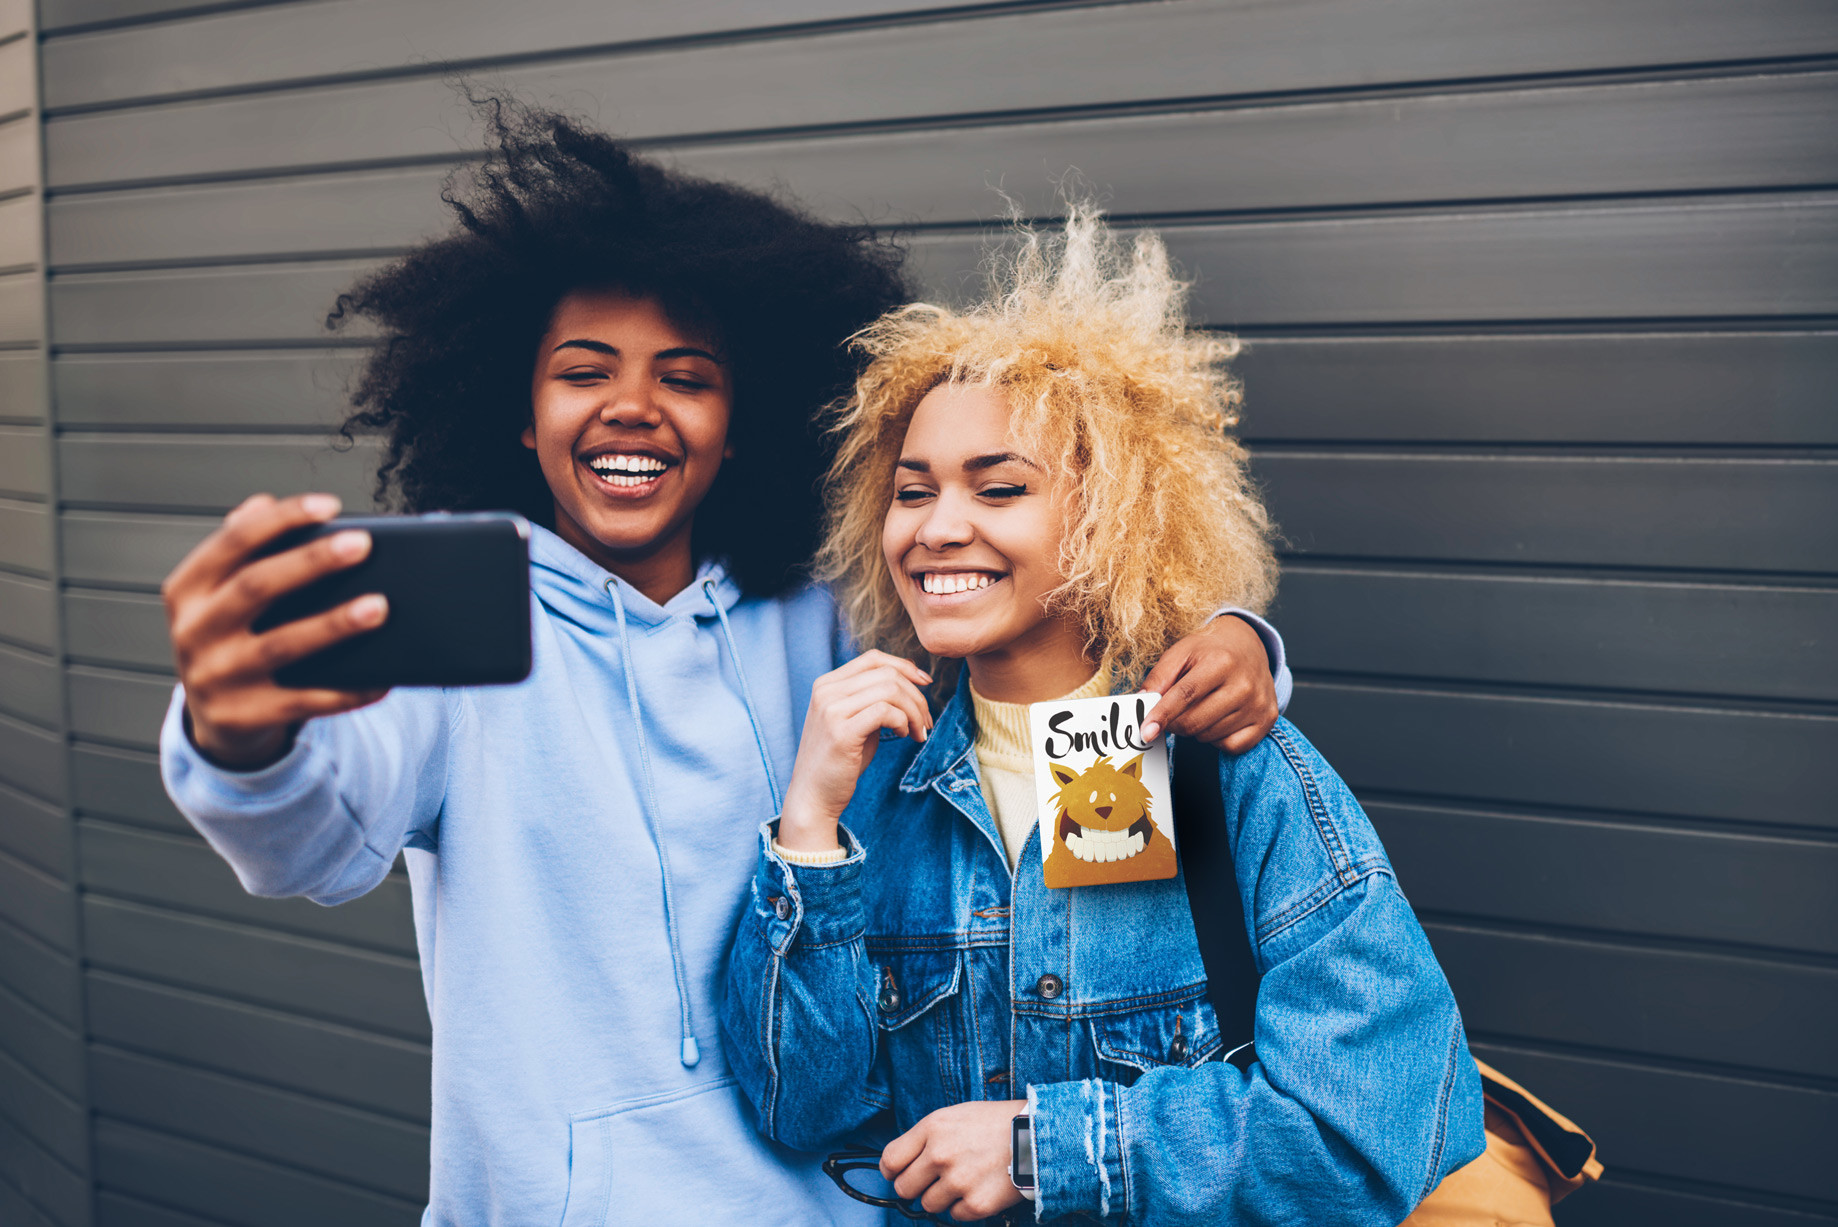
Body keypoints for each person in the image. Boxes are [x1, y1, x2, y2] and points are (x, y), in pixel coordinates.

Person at [156, 109, 1292, 1224]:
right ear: (519, 413)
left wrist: (1234, 641)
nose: (632, 408)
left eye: (686, 377)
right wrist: (238, 736)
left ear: (741, 423)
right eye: (582, 371)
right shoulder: (463, 638)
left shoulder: (837, 610)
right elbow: (309, 840)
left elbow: (1053, 653)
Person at [722, 208, 1499, 1225]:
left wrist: (1047, 1149)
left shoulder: (1234, 771)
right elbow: (799, 1108)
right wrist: (811, 827)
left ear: (1111, 517)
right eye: (912, 492)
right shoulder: (876, 784)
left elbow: (1365, 1132)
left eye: (997, 488)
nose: (937, 527)